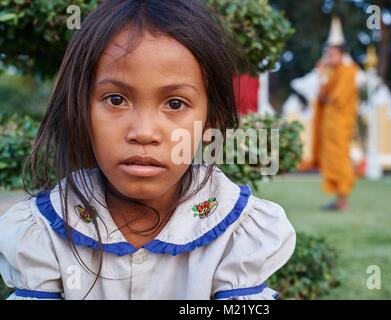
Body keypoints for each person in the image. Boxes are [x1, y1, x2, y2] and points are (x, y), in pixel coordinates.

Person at [0, 0, 295, 300]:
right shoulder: (44, 233)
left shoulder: (236, 233)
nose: (143, 132)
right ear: (81, 109)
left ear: (211, 121)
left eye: (175, 104)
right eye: (116, 99)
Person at [311, 44, 359, 211]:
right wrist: (322, 75)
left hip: (340, 124)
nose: (328, 58)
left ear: (342, 55)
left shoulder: (348, 71)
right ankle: (339, 200)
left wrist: (326, 77)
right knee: (332, 161)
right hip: (329, 125)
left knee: (341, 161)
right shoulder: (332, 74)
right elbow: (322, 98)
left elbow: (337, 98)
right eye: (327, 55)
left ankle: (343, 200)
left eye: (332, 55)